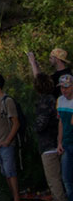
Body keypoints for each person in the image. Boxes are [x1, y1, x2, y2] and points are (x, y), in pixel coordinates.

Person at [33, 73, 67, 201]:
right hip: (60, 142)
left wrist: (34, 127)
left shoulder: (44, 102)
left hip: (48, 146)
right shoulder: (56, 100)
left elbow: (41, 124)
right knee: (65, 179)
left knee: (54, 181)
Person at [0, 73, 21, 201]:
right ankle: (13, 195)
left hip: (6, 143)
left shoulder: (7, 101)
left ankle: (16, 197)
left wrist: (8, 140)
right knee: (5, 172)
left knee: (10, 171)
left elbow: (16, 123)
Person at [58, 73, 73, 201]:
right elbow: (61, 122)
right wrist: (59, 142)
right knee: (67, 178)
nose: (64, 90)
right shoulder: (60, 100)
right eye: (62, 87)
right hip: (66, 143)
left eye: (67, 87)